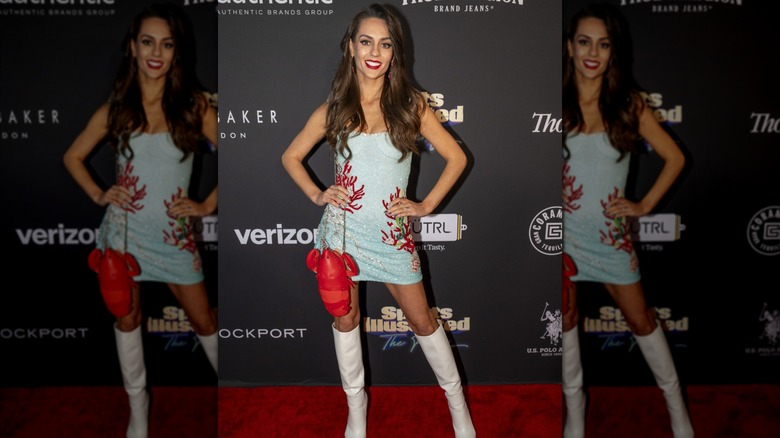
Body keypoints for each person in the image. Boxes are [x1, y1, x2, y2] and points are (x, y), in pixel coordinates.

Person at [281, 4, 474, 438]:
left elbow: (457, 157)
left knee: (423, 321)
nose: (375, 51)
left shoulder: (411, 105)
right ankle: (356, 409)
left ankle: (457, 405)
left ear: (394, 54)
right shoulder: (333, 109)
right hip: (341, 236)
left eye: (385, 44)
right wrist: (317, 193)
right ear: (350, 48)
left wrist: (424, 206)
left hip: (391, 238)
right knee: (345, 320)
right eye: (366, 41)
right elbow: (291, 156)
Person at [63, 3, 218, 437]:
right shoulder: (117, 109)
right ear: (133, 48)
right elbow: (72, 156)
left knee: (204, 322)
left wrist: (206, 206)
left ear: (176, 53)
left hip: (172, 237)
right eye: (148, 42)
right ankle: (139, 408)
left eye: (167, 45)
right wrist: (98, 193)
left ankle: (235, 393)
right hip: (123, 236)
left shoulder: (195, 105)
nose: (156, 52)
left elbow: (241, 155)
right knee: (126, 319)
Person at [561, 3, 693, 438]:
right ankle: (576, 416)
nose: (592, 52)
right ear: (570, 47)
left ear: (613, 52)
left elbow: (675, 157)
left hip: (608, 238)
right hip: (563, 236)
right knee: (565, 320)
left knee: (641, 321)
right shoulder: (553, 103)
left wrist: (644, 205)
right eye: (584, 42)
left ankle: (678, 410)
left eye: (603, 43)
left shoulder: (629, 104)